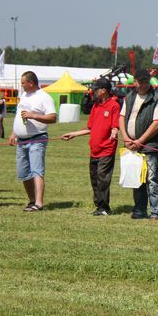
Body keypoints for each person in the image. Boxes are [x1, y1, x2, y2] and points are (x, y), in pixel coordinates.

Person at [61, 77, 120, 216]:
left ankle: (104, 207)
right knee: (94, 179)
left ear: (104, 90)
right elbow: (90, 128)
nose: (93, 92)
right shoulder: (96, 106)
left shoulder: (114, 106)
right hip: (94, 149)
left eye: (96, 89)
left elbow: (115, 126)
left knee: (103, 178)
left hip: (107, 149)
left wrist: (114, 131)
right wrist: (73, 134)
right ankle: (99, 205)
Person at [119, 69, 158, 219]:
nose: (144, 84)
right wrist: (126, 138)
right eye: (141, 81)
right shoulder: (129, 97)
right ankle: (139, 211)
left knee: (152, 179)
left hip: (149, 146)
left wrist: (140, 141)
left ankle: (156, 212)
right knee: (136, 178)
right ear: (135, 82)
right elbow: (121, 118)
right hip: (132, 145)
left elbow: (157, 124)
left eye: (147, 81)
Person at [9, 71, 57, 212]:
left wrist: (33, 115)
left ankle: (39, 203)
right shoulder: (23, 95)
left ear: (31, 83)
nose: (21, 86)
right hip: (21, 140)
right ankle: (31, 201)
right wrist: (14, 132)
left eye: (23, 83)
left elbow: (53, 117)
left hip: (37, 138)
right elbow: (19, 115)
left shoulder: (44, 97)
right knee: (23, 172)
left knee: (37, 171)